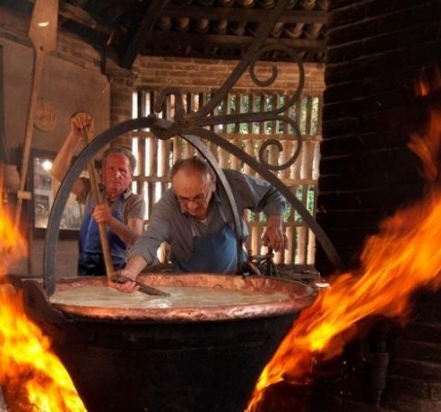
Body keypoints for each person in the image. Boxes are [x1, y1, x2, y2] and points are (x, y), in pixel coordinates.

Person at [112, 156, 287, 291]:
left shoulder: (230, 184)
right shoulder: (167, 206)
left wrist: (274, 223)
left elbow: (272, 194)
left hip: (235, 282)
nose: (192, 205)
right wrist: (130, 272)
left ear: (213, 183)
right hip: (188, 288)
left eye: (199, 197)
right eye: (184, 199)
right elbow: (148, 241)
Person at [50, 111, 145, 276]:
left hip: (117, 274)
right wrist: (74, 135)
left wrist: (110, 221)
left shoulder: (134, 201)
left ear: (131, 177)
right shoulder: (90, 190)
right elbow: (58, 172)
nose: (116, 175)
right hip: (85, 272)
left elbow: (135, 238)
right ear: (102, 173)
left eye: (123, 171)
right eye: (111, 169)